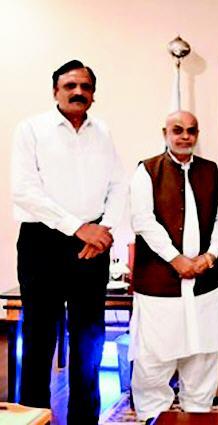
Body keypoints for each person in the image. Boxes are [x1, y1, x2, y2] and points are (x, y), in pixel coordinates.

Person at [11, 59, 127, 423]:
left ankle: (84, 419)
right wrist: (79, 228)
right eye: (70, 86)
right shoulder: (31, 129)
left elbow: (118, 185)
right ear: (55, 91)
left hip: (92, 245)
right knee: (39, 338)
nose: (78, 92)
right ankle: (34, 417)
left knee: (89, 339)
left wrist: (104, 230)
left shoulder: (103, 131)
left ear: (93, 94)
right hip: (42, 243)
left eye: (85, 87)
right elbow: (24, 191)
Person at [129, 110, 218, 422]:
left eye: (191, 130)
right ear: (165, 133)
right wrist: (176, 260)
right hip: (160, 284)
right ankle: (154, 417)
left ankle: (197, 415)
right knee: (154, 358)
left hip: (205, 282)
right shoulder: (147, 170)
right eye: (178, 130)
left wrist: (209, 256)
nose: (185, 136)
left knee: (203, 355)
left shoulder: (210, 171)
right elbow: (142, 220)